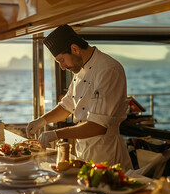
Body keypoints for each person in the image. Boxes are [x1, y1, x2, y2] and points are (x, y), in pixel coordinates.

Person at [26, 24, 133, 170]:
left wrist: (55, 134)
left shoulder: (108, 69)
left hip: (106, 153)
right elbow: (67, 105)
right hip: (83, 150)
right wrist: (42, 120)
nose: (62, 67)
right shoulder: (79, 71)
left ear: (75, 49)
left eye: (62, 60)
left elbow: (98, 126)